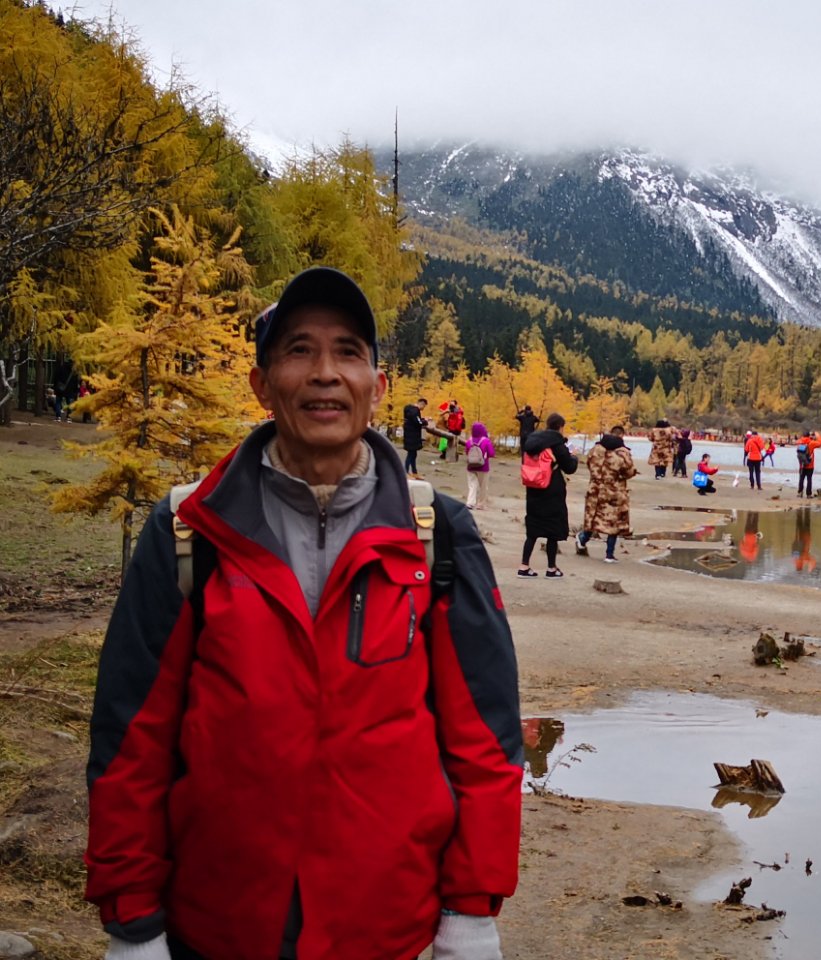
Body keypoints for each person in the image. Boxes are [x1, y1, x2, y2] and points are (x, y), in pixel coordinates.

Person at [84, 267, 522, 960]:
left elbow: (485, 738)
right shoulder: (189, 530)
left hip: (382, 926)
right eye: (298, 350)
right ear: (262, 385)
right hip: (220, 925)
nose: (325, 373)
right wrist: (132, 921)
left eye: (348, 351)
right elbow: (130, 740)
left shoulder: (436, 532)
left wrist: (470, 912)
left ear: (377, 386)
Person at [517, 412, 578, 578]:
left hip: (533, 489)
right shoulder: (557, 444)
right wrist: (573, 456)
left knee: (532, 530)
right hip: (552, 491)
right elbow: (569, 467)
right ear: (560, 427)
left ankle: (524, 566)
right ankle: (551, 568)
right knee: (553, 531)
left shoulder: (532, 441)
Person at [576, 425, 637, 563]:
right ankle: (609, 554)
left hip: (595, 489)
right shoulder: (622, 453)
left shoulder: (595, 450)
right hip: (614, 491)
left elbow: (589, 464)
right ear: (621, 436)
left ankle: (583, 540)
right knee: (613, 521)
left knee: (593, 518)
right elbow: (629, 472)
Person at [464, 420, 496, 509]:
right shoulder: (486, 441)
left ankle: (470, 503)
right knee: (483, 486)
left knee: (472, 485)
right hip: (483, 466)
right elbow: (492, 453)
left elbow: (467, 452)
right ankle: (481, 504)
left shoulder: (469, 441)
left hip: (471, 466)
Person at [402, 396, 428, 477]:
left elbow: (414, 420)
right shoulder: (415, 411)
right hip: (413, 436)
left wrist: (422, 419)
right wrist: (425, 421)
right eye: (424, 406)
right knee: (411, 454)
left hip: (409, 434)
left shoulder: (409, 410)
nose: (423, 408)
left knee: (413, 454)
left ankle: (414, 472)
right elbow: (418, 422)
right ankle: (405, 472)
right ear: (422, 404)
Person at [796, 428, 821, 498]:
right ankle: (808, 494)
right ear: (809, 436)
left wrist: (811, 437)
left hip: (802, 464)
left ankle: (800, 492)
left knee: (801, 479)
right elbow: (820, 443)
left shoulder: (799, 442)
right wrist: (817, 435)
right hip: (809, 464)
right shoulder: (811, 443)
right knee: (809, 479)